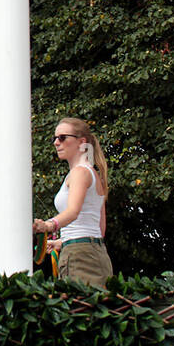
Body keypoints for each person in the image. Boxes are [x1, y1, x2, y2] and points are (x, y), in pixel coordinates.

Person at [32, 117, 113, 289]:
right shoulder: (88, 172)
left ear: (81, 142)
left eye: (62, 137)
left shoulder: (80, 173)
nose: (56, 143)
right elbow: (99, 228)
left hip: (81, 256)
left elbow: (73, 212)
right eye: (54, 138)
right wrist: (63, 241)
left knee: (83, 312)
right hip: (87, 252)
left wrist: (48, 226)